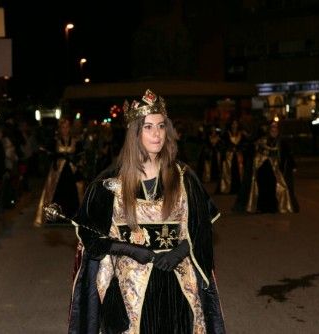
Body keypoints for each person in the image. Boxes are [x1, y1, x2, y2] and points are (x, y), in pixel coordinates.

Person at [67, 89, 225, 334]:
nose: (157, 134)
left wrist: (180, 252)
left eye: (161, 126)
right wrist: (128, 249)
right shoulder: (109, 182)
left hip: (178, 282)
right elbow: (91, 236)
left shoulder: (184, 177)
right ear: (135, 133)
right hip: (131, 285)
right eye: (149, 127)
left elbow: (201, 226)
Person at [35, 118, 84, 226]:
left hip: (72, 171)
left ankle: (73, 217)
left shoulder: (76, 141)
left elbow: (80, 154)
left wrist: (75, 160)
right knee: (57, 193)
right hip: (58, 173)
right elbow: (49, 153)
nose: (65, 130)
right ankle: (55, 217)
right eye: (63, 127)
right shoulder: (55, 141)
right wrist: (57, 157)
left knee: (73, 193)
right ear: (60, 129)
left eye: (67, 127)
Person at [244, 121, 299, 213]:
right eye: (272, 128)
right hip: (262, 168)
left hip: (275, 169)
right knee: (262, 186)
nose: (274, 130)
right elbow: (253, 150)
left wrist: (293, 166)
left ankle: (273, 207)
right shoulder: (262, 140)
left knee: (277, 186)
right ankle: (262, 207)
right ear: (269, 130)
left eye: (276, 128)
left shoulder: (281, 142)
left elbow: (288, 154)